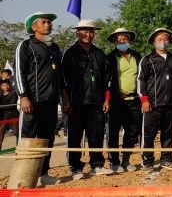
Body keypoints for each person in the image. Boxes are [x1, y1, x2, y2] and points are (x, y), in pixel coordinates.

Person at [15, 12, 68, 185]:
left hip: (51, 101)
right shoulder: (25, 45)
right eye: (44, 22)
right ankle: (22, 176)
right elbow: (19, 73)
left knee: (47, 138)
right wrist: (23, 97)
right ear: (34, 26)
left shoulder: (54, 47)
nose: (48, 25)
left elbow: (59, 74)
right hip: (32, 101)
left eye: (49, 22)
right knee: (27, 139)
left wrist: (64, 96)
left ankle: (43, 173)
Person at [62, 19, 113, 179]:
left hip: (96, 102)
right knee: (75, 136)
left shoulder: (99, 53)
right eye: (84, 31)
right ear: (77, 33)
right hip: (76, 102)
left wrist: (106, 99)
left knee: (96, 134)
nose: (88, 34)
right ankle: (75, 167)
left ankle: (97, 165)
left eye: (91, 31)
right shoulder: (70, 53)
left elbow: (107, 79)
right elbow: (63, 80)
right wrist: (66, 100)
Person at [138, 28, 172, 172]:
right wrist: (144, 99)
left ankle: (166, 159)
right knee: (149, 134)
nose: (163, 42)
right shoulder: (147, 59)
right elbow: (141, 80)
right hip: (152, 104)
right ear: (154, 42)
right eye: (160, 40)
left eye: (166, 39)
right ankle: (147, 161)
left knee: (168, 134)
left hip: (170, 104)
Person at [105, 27, 143, 173]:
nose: (122, 42)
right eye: (119, 40)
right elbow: (106, 80)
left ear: (129, 40)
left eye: (125, 39)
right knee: (113, 132)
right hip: (116, 100)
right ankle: (114, 162)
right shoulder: (109, 58)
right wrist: (108, 98)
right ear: (114, 42)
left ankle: (126, 160)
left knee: (132, 131)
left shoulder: (137, 56)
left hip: (134, 100)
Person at [0, 79, 19, 150]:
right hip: (4, 117)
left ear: (10, 86)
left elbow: (12, 104)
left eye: (7, 85)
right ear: (1, 87)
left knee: (16, 133)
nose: (6, 86)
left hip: (13, 116)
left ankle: (19, 147)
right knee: (1, 133)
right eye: (4, 85)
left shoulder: (13, 93)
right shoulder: (0, 94)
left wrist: (2, 106)